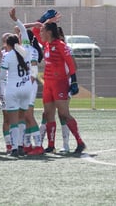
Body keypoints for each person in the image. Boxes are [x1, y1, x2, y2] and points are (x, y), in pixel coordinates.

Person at [30, 10, 86, 154]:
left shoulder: (60, 45)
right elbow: (34, 29)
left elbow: (71, 64)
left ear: (49, 32)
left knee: (64, 114)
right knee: (48, 114)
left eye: (43, 31)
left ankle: (80, 142)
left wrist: (73, 82)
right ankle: (51, 144)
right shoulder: (46, 44)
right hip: (48, 84)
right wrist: (45, 19)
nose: (40, 33)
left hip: (60, 83)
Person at [9, 8, 45, 155]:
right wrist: (35, 24)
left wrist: (16, 19)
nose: (18, 35)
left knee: (28, 116)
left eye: (20, 35)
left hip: (29, 84)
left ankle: (38, 146)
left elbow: (35, 69)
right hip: (25, 84)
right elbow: (19, 28)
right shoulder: (25, 49)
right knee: (21, 116)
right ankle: (26, 143)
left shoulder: (29, 49)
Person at [0, 34, 32, 157]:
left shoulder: (7, 56)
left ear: (8, 44)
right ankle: (21, 145)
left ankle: (14, 148)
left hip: (13, 90)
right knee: (22, 117)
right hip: (27, 89)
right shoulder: (26, 52)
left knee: (13, 121)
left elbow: (1, 76)